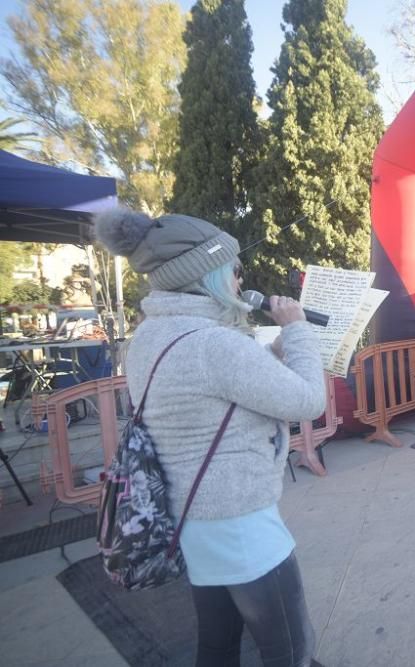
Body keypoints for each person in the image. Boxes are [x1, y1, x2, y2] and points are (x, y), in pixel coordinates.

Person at [95, 207, 327, 666]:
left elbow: (213, 394)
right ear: (209, 274)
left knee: (218, 644)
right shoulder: (214, 344)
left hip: (191, 515)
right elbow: (307, 401)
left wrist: (274, 349)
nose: (241, 281)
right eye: (235, 270)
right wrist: (297, 330)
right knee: (290, 649)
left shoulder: (149, 337)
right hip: (239, 520)